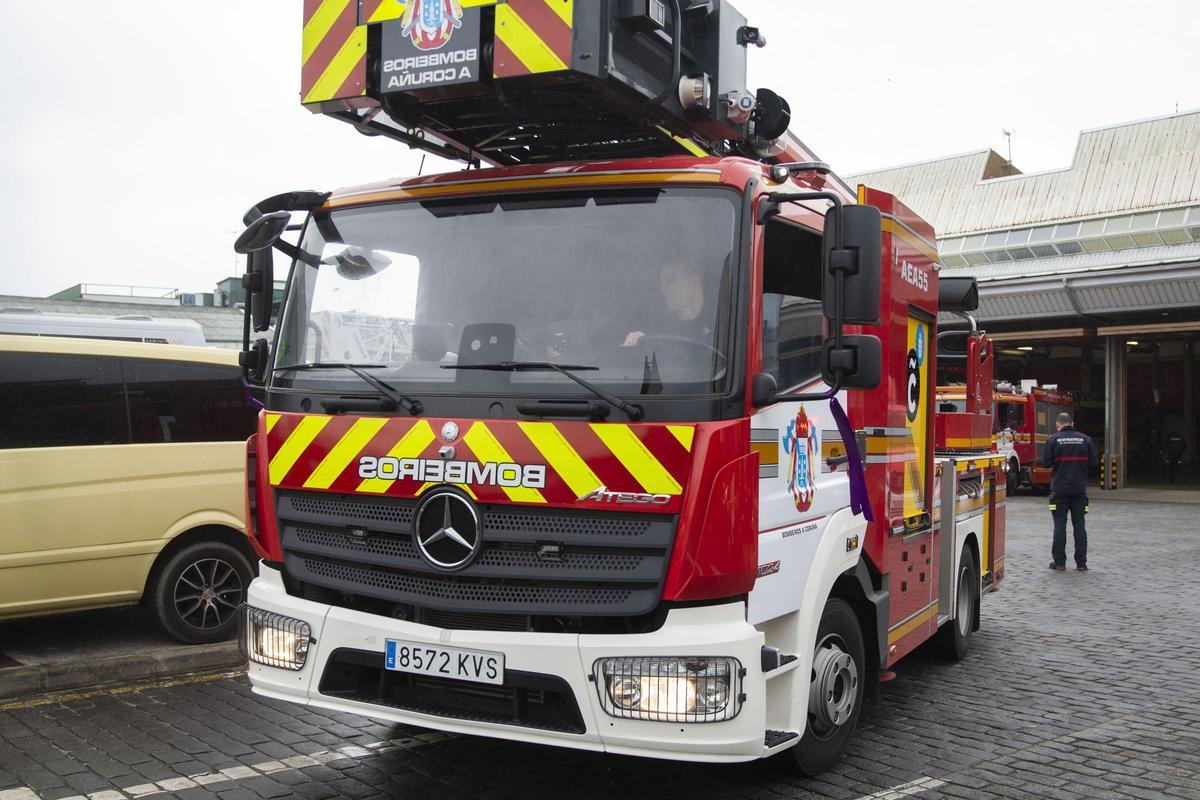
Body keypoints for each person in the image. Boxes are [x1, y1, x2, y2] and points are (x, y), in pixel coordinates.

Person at [1041, 412, 1098, 571]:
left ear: (1058, 425)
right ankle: (1081, 563)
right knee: (1079, 525)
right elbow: (1094, 463)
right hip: (1079, 490)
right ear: (1072, 423)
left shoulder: (1053, 440)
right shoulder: (1086, 440)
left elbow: (1045, 463)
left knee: (1060, 525)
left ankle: (1059, 562)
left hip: (1059, 490)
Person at [622, 257, 713, 347]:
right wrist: (641, 344)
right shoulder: (660, 327)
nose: (662, 289)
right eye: (661, 283)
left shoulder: (719, 320)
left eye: (669, 280)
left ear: (694, 281)